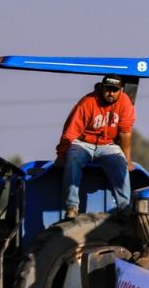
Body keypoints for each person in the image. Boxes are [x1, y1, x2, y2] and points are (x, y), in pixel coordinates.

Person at [56, 75, 135, 218]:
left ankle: (125, 208)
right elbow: (70, 132)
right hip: (83, 143)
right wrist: (61, 154)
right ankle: (72, 207)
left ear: (121, 90)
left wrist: (128, 159)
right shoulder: (87, 102)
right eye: (108, 89)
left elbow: (125, 132)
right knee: (73, 159)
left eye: (115, 90)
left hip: (108, 144)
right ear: (101, 87)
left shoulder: (125, 102)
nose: (111, 93)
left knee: (120, 164)